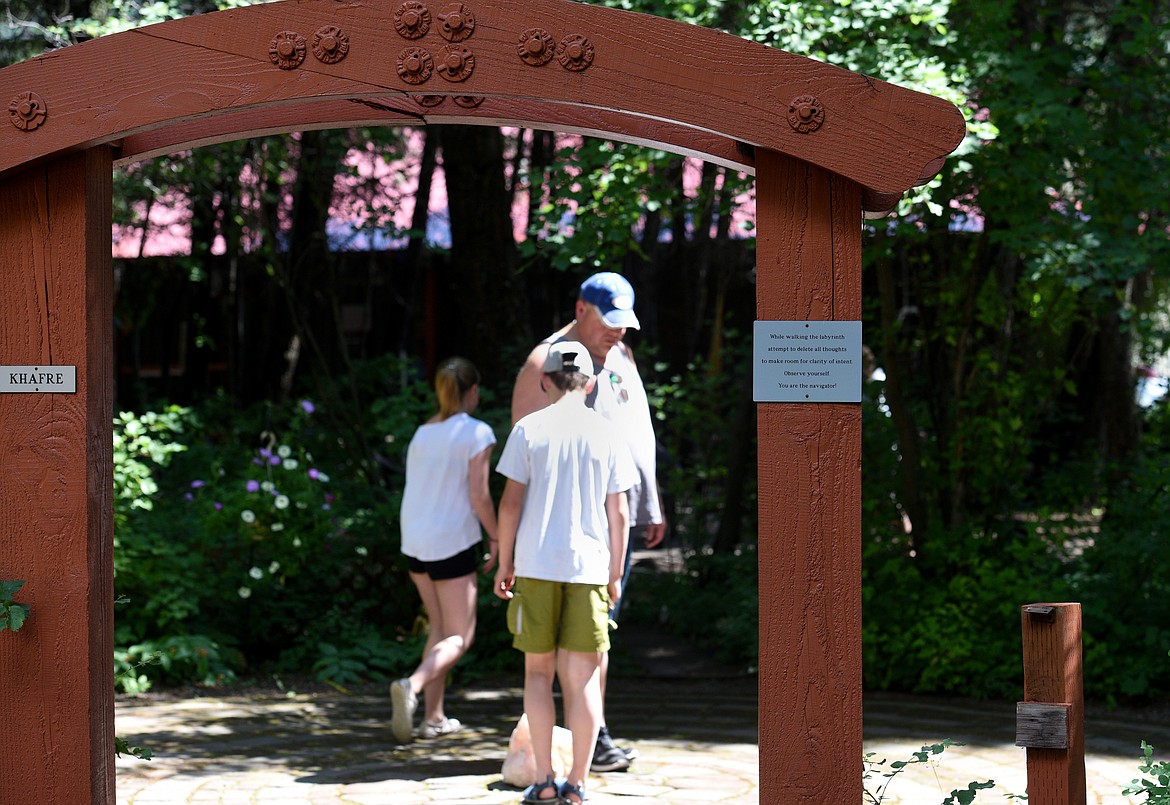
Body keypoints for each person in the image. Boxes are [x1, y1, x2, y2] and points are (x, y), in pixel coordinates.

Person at [510, 271, 665, 772]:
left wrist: (652, 499)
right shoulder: (544, 362)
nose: (619, 332)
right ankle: (580, 749)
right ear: (580, 309)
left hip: (616, 519)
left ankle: (591, 738)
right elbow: (525, 457)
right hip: (561, 534)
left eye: (626, 323)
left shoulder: (620, 354)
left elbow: (636, 423)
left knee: (601, 635)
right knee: (563, 653)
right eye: (609, 321)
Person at [494, 340, 638, 805]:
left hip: (535, 567)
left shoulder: (527, 429)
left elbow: (510, 502)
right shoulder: (608, 433)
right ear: (591, 383)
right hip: (590, 569)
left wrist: (504, 560)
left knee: (537, 676)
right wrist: (615, 572)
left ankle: (544, 779)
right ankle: (578, 783)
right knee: (582, 680)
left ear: (545, 380)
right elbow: (620, 514)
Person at [391, 357, 499, 744]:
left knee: (438, 629)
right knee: (460, 637)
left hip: (415, 543)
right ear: (473, 391)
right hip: (451, 544)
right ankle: (413, 685)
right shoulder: (477, 433)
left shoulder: (422, 433)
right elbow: (479, 495)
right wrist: (499, 537)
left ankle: (433, 719)